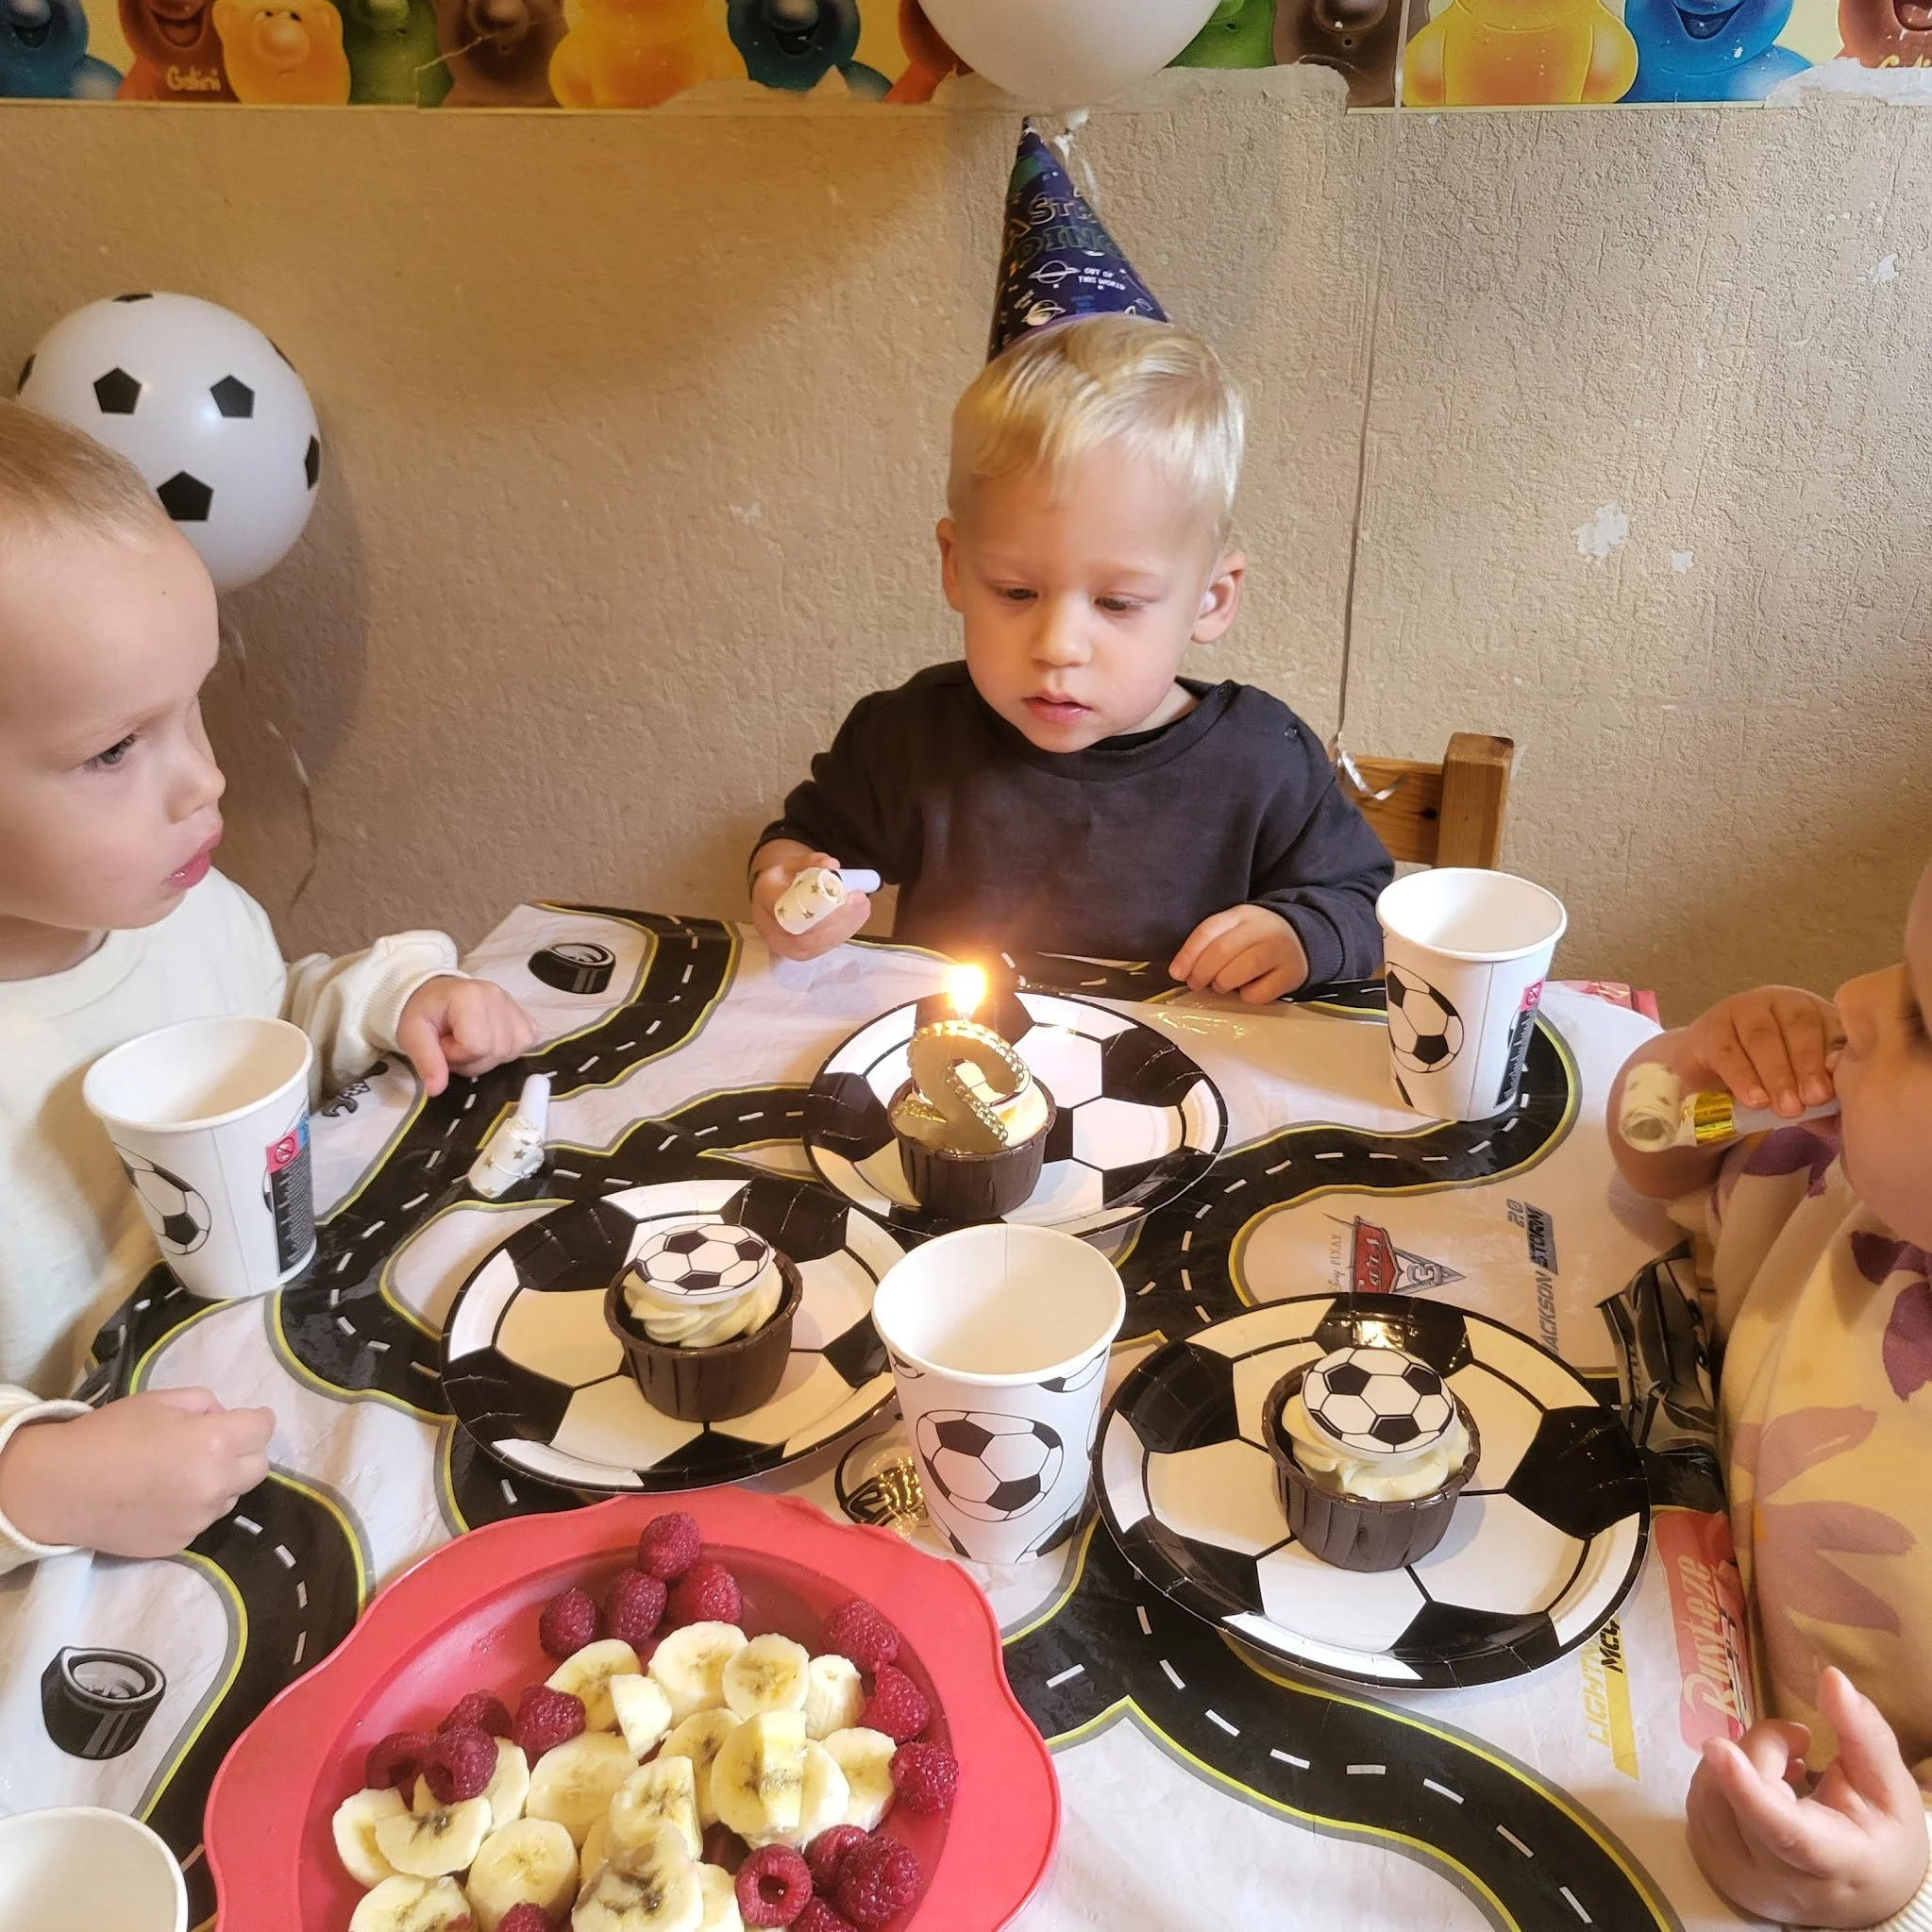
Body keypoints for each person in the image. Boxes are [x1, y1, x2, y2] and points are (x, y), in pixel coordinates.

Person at [0, 401, 535, 1573]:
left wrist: (381, 1000)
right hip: (101, 1563)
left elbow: (259, 1018)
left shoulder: (173, 905)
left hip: (286, 1394)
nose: (205, 776)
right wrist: (35, 1482)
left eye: (196, 703)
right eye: (113, 750)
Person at [748, 126, 1391, 1000]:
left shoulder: (1263, 761)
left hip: (1178, 1100)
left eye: (1119, 603)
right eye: (1014, 590)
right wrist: (787, 883)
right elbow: (800, 846)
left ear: (1210, 598)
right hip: (959, 1092)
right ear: (953, 566)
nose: (1057, 644)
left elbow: (1366, 906)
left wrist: (1301, 933)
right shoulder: (907, 740)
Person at [1608, 860, 1932, 1929]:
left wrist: (1883, 1876)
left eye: (1921, 1021)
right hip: (1644, 1609)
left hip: (1769, 1802)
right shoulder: (1848, 1178)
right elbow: (1649, 1150)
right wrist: (1698, 1065)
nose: (1852, 993)